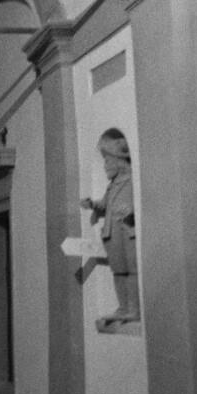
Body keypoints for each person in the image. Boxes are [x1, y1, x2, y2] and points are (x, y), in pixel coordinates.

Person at [80, 129, 140, 324]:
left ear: (118, 161)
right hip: (112, 232)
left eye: (107, 161)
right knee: (118, 271)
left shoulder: (132, 180)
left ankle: (134, 309)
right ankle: (122, 308)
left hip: (128, 231)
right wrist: (92, 204)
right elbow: (105, 204)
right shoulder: (112, 185)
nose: (105, 166)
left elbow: (140, 203)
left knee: (132, 270)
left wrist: (130, 211)